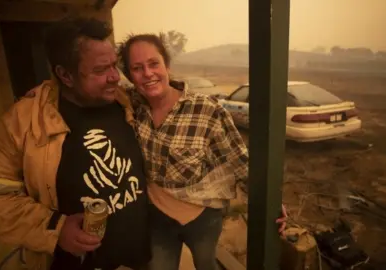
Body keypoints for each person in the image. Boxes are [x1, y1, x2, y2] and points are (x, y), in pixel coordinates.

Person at [0, 17, 151, 270]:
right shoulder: (21, 124)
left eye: (114, 66)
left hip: (140, 256)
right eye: (100, 70)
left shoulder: (125, 101)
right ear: (65, 74)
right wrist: (54, 227)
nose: (115, 78)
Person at [117, 34, 287, 270]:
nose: (147, 73)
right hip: (156, 217)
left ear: (167, 65)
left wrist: (272, 207)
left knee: (206, 264)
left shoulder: (207, 111)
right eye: (137, 68)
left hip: (202, 218)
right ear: (130, 76)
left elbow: (240, 163)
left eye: (154, 63)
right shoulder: (134, 106)